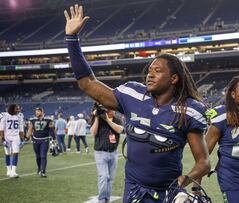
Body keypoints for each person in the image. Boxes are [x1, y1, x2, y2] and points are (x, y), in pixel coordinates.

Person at [64, 4, 210, 202]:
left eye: (157, 71)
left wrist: (184, 181)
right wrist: (72, 40)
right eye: (149, 70)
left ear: (174, 79)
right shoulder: (132, 94)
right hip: (134, 191)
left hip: (167, 193)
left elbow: (204, 162)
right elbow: (87, 84)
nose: (150, 74)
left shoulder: (189, 110)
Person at [90, 104, 124, 203]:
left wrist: (107, 120)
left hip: (113, 153)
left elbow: (120, 130)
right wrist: (97, 117)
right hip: (100, 153)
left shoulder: (117, 119)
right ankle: (102, 199)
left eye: (112, 109)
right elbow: (92, 133)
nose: (112, 111)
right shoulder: (98, 119)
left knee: (111, 179)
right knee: (104, 176)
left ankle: (107, 199)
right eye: (109, 109)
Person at [26, 107, 54, 177]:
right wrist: (27, 137)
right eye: (36, 111)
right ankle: (39, 168)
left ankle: (43, 171)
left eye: (38, 111)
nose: (36, 112)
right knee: (38, 157)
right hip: (35, 140)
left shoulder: (49, 119)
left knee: (43, 156)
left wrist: (53, 139)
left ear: (42, 112)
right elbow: (30, 129)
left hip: (45, 139)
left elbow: (51, 130)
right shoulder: (33, 120)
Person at [0, 104, 24, 178]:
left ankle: (13, 171)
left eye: (18, 109)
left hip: (16, 137)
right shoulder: (5, 115)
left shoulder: (19, 116)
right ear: (12, 109)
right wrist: (2, 139)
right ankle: (8, 170)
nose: (18, 110)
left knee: (15, 153)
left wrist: (22, 139)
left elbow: (21, 129)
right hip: (7, 136)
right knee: (7, 154)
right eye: (16, 109)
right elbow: (1, 129)